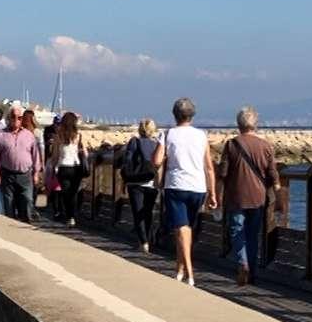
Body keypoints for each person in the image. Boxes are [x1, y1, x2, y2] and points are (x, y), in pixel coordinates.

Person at [152, 97, 216, 287]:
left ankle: (189, 270)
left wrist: (163, 159)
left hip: (176, 185)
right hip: (198, 187)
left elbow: (156, 161)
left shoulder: (168, 134)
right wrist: (213, 192)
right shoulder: (201, 136)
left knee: (182, 229)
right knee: (185, 229)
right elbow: (209, 167)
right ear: (192, 115)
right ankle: (179, 269)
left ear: (175, 115)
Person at [219, 106, 278, 286]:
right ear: (256, 125)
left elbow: (223, 172)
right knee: (253, 235)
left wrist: (216, 193)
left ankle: (242, 262)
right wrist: (278, 192)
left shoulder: (231, 144)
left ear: (239, 124)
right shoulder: (266, 146)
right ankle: (251, 272)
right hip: (258, 197)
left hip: (236, 196)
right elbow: (273, 173)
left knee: (237, 230)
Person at [118, 118, 161, 252]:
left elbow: (127, 162)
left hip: (135, 182)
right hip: (151, 182)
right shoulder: (157, 144)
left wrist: (124, 180)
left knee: (138, 213)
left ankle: (143, 242)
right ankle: (146, 239)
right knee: (147, 212)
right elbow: (159, 164)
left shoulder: (134, 142)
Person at [0, 104, 42, 223]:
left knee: (27, 201)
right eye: (13, 117)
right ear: (9, 118)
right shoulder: (1, 135)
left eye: (19, 117)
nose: (16, 120)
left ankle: (25, 225)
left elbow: (35, 155)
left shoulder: (29, 136)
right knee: (8, 205)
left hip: (25, 175)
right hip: (7, 174)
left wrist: (36, 173)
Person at [46, 112, 88, 226]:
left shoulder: (58, 135)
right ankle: (73, 216)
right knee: (73, 193)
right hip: (76, 167)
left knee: (65, 194)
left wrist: (53, 168)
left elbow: (55, 155)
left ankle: (69, 216)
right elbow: (85, 152)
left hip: (63, 167)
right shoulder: (78, 135)